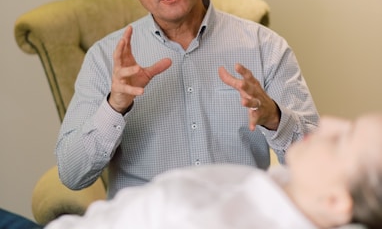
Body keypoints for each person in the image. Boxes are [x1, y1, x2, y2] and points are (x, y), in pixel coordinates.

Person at [56, 0, 318, 199]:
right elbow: (72, 174)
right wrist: (114, 106)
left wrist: (275, 118)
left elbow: (319, 164)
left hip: (236, 217)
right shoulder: (104, 58)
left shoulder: (264, 47)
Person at [45, 113, 382, 229]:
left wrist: (274, 117)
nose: (327, 122)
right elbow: (72, 172)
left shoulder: (203, 219)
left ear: (338, 202)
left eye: (341, 140)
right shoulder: (288, 187)